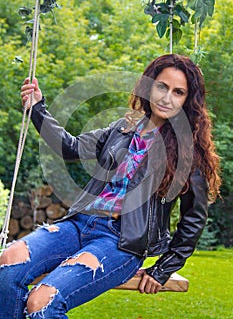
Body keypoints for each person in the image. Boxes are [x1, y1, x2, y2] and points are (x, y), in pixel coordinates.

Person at [0, 54, 221, 318]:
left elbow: (194, 217)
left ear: (187, 100)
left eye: (178, 92)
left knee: (42, 302)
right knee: (8, 262)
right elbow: (69, 147)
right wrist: (37, 108)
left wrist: (164, 268)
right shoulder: (122, 129)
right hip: (79, 224)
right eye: (162, 86)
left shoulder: (188, 151)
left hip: (120, 242)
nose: (167, 97)